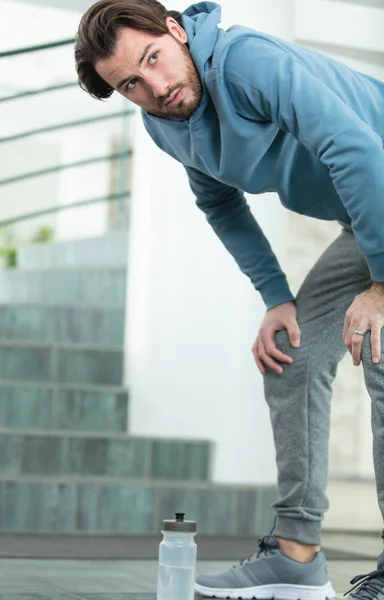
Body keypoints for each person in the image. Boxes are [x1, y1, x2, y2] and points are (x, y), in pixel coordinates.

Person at [74, 0, 384, 598]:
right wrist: (275, 296)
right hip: (363, 217)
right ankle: (296, 554)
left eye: (153, 59)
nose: (156, 86)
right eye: (131, 84)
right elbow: (218, 201)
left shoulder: (246, 63)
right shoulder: (165, 123)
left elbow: (356, 151)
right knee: (290, 352)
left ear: (173, 29)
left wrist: (382, 284)